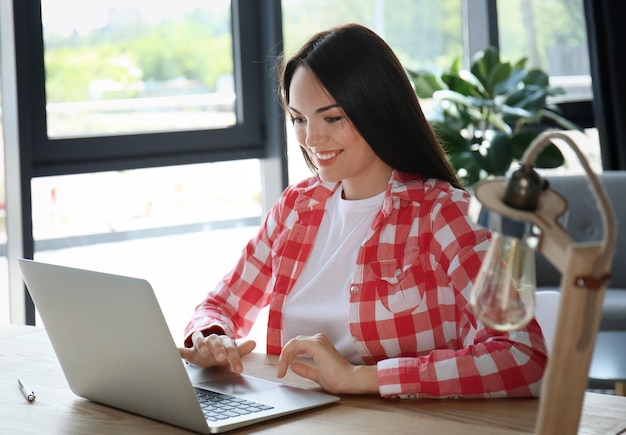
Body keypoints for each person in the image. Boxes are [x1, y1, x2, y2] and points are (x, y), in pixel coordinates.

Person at [179, 23, 548, 399]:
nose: (311, 139)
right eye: (299, 119)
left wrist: (359, 378)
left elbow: (523, 356)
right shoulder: (296, 207)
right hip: (295, 419)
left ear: (378, 110)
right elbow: (219, 305)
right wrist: (212, 339)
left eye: (332, 118)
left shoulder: (442, 214)